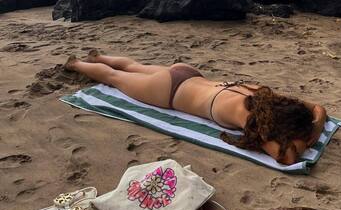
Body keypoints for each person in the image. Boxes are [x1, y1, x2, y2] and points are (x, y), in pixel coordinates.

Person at [65, 52, 326, 165]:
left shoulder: (262, 95)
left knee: (134, 67)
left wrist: (315, 124)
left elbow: (317, 108)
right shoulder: (252, 121)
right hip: (169, 91)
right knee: (114, 78)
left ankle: (98, 57)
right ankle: (75, 64)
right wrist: (311, 135)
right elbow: (286, 157)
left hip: (188, 74)